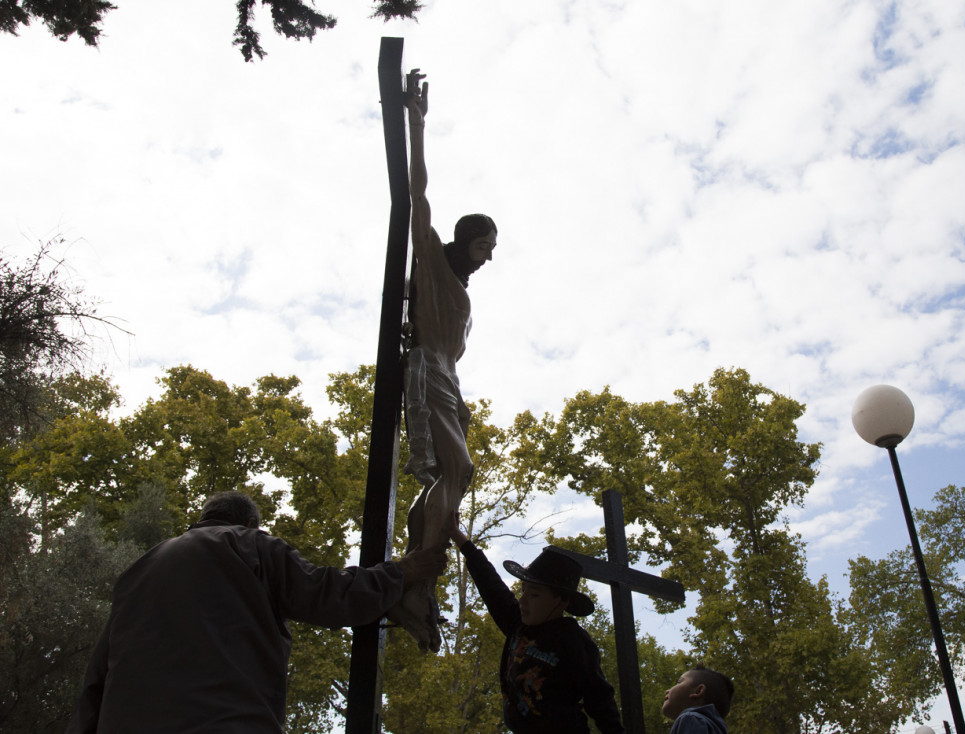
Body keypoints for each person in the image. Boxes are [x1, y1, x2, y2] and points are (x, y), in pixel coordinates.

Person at [65, 490, 447, 733]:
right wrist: (402, 571)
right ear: (250, 523)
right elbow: (329, 596)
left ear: (200, 520)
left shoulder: (138, 571)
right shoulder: (249, 545)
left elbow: (93, 686)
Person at [388, 67, 498, 653]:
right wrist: (416, 121)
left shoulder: (460, 284)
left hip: (449, 379)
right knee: (453, 470)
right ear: (465, 238)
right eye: (484, 246)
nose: (488, 257)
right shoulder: (432, 260)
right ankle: (417, 579)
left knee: (457, 473)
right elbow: (417, 194)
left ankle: (417, 573)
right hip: (427, 368)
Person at [446, 512, 625, 733]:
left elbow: (600, 699)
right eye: (523, 592)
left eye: (535, 595)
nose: (523, 601)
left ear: (561, 601)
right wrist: (459, 538)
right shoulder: (517, 624)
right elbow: (489, 583)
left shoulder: (574, 642)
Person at [661, 665, 733, 734]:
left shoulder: (690, 718)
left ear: (698, 691)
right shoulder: (716, 728)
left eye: (679, 682)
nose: (667, 691)